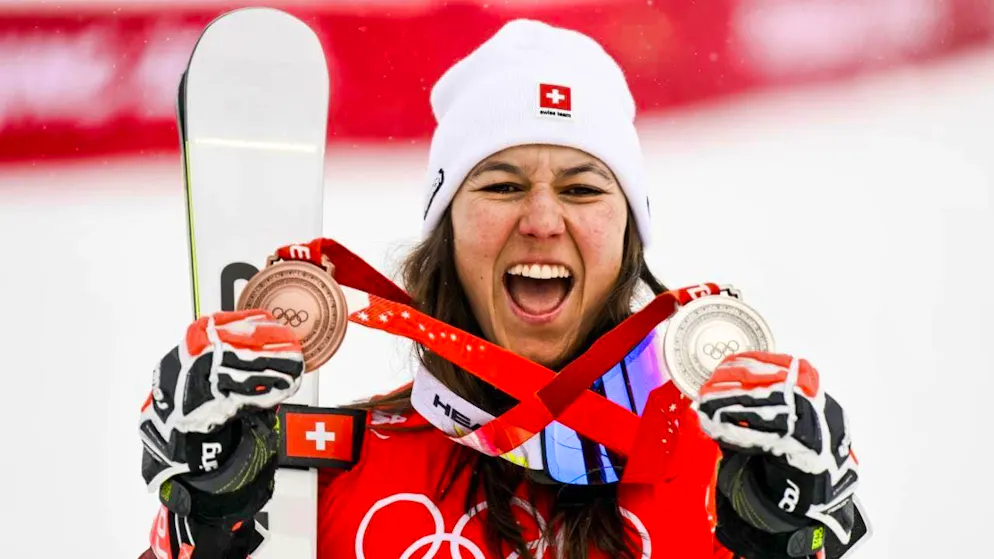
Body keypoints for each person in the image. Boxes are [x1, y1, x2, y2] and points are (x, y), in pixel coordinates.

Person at [137, 19, 866, 559]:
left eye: (582, 188)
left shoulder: (723, 479)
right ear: (448, 231)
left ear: (627, 238)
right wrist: (207, 525)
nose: (542, 220)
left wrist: (796, 543)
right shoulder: (332, 475)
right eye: (502, 185)